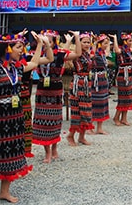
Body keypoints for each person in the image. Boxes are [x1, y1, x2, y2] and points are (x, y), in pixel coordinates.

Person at [0, 30, 46, 203]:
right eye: (18, 47)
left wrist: (41, 45)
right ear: (7, 48)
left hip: (15, 115)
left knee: (13, 151)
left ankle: (4, 191)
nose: (21, 50)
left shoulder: (17, 67)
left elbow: (35, 62)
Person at [32, 30, 81, 163]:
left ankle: (54, 148)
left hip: (56, 89)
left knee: (55, 121)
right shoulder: (37, 54)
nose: (46, 42)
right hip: (42, 89)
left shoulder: (60, 53)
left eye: (49, 40)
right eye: (44, 40)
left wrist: (76, 38)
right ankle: (47, 151)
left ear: (54, 42)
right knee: (43, 122)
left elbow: (78, 53)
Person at [66, 33, 95, 146]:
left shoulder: (87, 55)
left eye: (88, 42)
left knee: (86, 111)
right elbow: (66, 53)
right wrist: (75, 38)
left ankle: (82, 137)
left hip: (86, 84)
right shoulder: (76, 55)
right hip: (78, 84)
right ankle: (70, 136)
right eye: (84, 42)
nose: (87, 44)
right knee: (77, 112)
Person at [89, 34, 111, 134]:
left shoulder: (103, 53)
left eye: (107, 43)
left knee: (103, 102)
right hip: (95, 79)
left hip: (103, 79)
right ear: (99, 44)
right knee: (94, 102)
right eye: (105, 43)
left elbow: (108, 52)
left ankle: (99, 127)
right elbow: (91, 55)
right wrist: (95, 43)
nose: (107, 45)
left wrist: (111, 40)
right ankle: (90, 126)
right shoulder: (94, 53)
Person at [112, 33, 132, 126]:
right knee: (123, 98)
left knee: (128, 98)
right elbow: (117, 50)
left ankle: (124, 118)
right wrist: (115, 38)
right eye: (129, 41)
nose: (131, 43)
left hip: (129, 74)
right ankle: (116, 117)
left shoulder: (129, 50)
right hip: (122, 75)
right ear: (125, 41)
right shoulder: (121, 50)